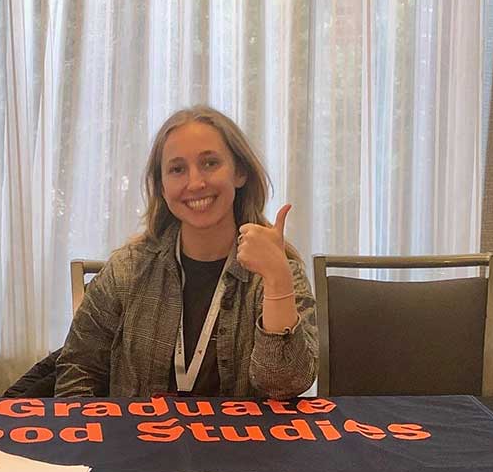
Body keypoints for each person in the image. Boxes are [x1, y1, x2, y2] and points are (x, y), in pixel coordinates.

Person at [55, 105, 317, 398]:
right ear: (163, 188)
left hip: (244, 444)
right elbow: (76, 375)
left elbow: (285, 386)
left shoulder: (279, 271)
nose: (195, 183)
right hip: (139, 442)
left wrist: (277, 280)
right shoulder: (126, 270)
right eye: (177, 169)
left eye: (210, 163)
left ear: (239, 172)